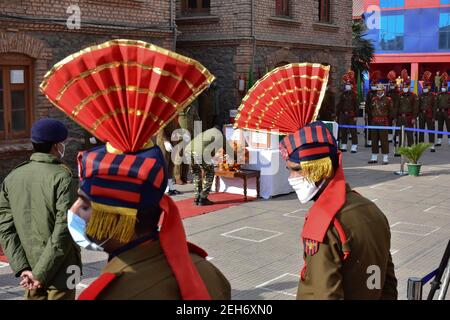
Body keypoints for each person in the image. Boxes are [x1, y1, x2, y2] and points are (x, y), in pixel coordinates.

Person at [40, 39, 231, 300]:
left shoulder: (111, 294)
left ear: (118, 218)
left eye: (85, 205)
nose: (73, 213)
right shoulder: (208, 271)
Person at [234, 64, 397, 299]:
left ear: (317, 169)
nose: (291, 179)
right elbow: (387, 282)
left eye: (294, 170)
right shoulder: (372, 210)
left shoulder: (325, 223)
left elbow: (322, 294)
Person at [0, 118, 81, 300]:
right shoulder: (63, 178)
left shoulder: (12, 177)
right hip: (62, 270)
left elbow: (5, 229)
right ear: (56, 146)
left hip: (29, 269)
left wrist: (23, 268)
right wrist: (40, 273)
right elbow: (64, 230)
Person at [186, 124, 233, 206]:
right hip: (200, 153)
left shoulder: (206, 132)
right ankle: (203, 198)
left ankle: (197, 197)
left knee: (196, 173)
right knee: (210, 172)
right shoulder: (220, 135)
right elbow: (230, 151)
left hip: (188, 151)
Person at [367, 84, 394, 165]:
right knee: (374, 139)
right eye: (377, 90)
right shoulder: (373, 99)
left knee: (384, 140)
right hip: (374, 121)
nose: (378, 92)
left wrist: (389, 120)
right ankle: (374, 157)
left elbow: (391, 111)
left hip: (383, 121)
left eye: (380, 90)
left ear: (383, 90)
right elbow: (370, 109)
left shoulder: (388, 99)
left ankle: (385, 158)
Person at [156, 119, 183, 195]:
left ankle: (170, 187)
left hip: (173, 141)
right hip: (163, 142)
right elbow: (160, 128)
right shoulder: (165, 111)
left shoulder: (174, 113)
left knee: (171, 165)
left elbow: (177, 126)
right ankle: (164, 188)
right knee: (164, 164)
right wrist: (165, 141)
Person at [336, 71, 359, 153]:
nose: (347, 86)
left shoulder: (354, 95)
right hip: (343, 114)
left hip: (352, 114)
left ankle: (354, 145)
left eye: (349, 85)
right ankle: (344, 144)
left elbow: (357, 105)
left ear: (351, 85)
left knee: (353, 131)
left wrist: (356, 115)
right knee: (343, 130)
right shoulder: (342, 94)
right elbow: (339, 105)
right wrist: (337, 114)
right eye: (346, 84)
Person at [396, 69, 418, 149]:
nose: (405, 87)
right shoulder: (399, 95)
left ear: (409, 86)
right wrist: (395, 117)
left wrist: (414, 117)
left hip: (409, 117)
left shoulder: (413, 95)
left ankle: (410, 148)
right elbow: (396, 106)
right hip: (400, 117)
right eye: (404, 86)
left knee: (409, 134)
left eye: (406, 86)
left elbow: (415, 107)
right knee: (400, 134)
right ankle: (401, 148)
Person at [418, 71, 437, 151]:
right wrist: (417, 115)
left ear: (429, 87)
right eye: (424, 86)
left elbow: (435, 107)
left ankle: (432, 145)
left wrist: (434, 116)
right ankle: (421, 144)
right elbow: (418, 106)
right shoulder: (420, 95)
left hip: (430, 114)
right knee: (421, 129)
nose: (425, 88)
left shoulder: (432, 96)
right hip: (422, 114)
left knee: (431, 129)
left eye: (427, 86)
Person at [365, 71, 381, 148]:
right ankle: (370, 140)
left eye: (374, 84)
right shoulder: (369, 93)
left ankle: (379, 141)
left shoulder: (379, 93)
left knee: (379, 128)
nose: (373, 86)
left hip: (379, 113)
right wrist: (366, 113)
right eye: (372, 84)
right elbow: (367, 103)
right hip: (370, 113)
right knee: (371, 127)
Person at [435, 72, 450, 147]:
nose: (443, 88)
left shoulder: (449, 94)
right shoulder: (438, 95)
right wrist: (436, 114)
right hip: (440, 112)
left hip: (447, 112)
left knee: (449, 127)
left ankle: (449, 141)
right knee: (440, 126)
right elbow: (436, 104)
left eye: (444, 87)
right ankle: (439, 141)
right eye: (442, 86)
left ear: (447, 87)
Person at [386, 70, 400, 145]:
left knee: (397, 124)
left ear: (395, 84)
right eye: (390, 83)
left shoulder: (398, 93)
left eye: (393, 84)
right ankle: (390, 136)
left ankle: (397, 137)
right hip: (389, 111)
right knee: (389, 124)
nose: (391, 85)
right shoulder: (387, 93)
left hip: (397, 111)